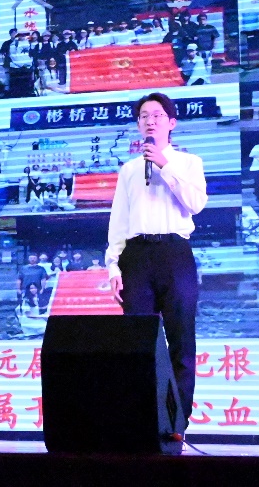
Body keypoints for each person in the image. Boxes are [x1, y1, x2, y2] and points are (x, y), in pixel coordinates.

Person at [106, 92, 208, 424]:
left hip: (174, 252)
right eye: (144, 116)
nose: (150, 121)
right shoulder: (129, 169)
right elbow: (119, 220)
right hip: (136, 256)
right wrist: (113, 265)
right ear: (138, 125)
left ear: (172, 123)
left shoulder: (189, 163)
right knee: (138, 340)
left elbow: (196, 204)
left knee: (181, 337)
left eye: (157, 115)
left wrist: (166, 167)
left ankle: (178, 423)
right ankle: (142, 419)